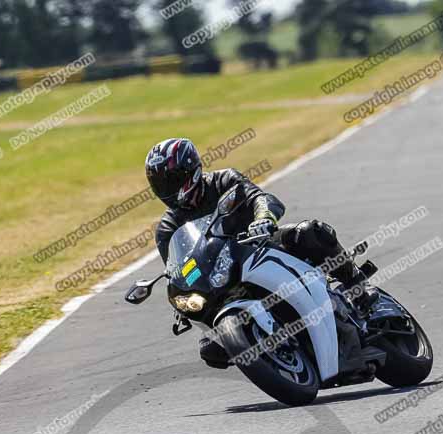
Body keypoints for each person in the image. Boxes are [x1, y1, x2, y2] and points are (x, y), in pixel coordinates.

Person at [145, 138, 375, 367]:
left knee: (310, 232)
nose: (167, 189)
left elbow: (260, 198)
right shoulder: (167, 228)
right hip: (220, 277)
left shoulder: (224, 180)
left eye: (172, 181)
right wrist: (183, 294)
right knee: (211, 349)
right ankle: (271, 353)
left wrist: (263, 218)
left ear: (190, 170)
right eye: (160, 185)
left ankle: (359, 288)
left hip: (259, 245)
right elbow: (178, 268)